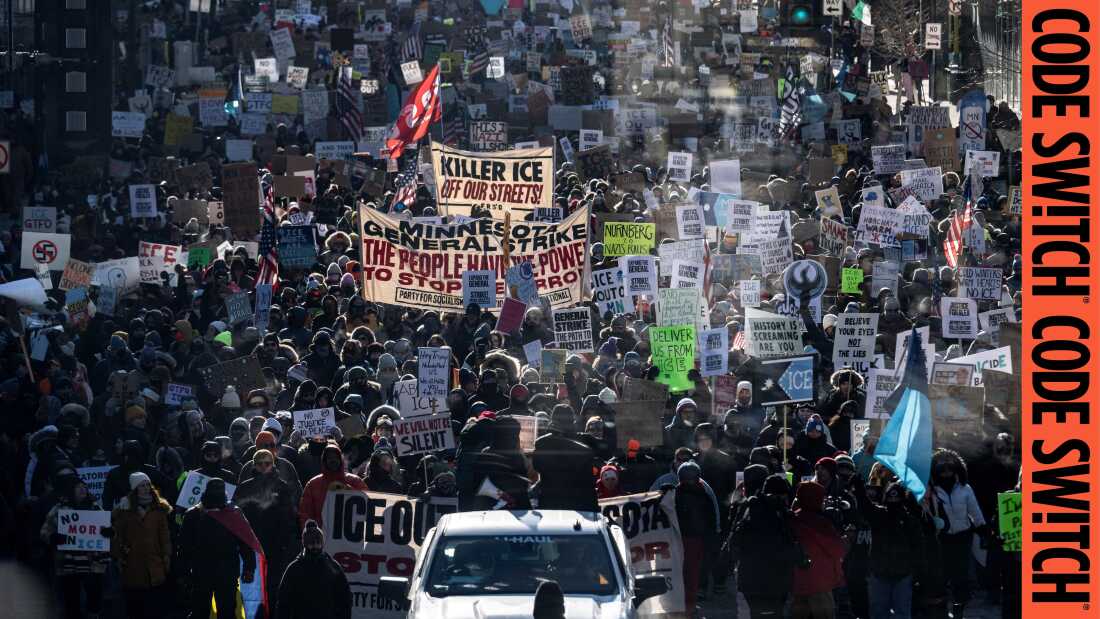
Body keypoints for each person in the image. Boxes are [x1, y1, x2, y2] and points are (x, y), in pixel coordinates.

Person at [179, 478, 258, 619]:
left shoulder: (233, 513)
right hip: (203, 572)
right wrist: (183, 571)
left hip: (225, 571)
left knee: (225, 611)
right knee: (200, 611)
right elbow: (185, 546)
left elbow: (245, 542)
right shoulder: (194, 515)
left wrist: (249, 567)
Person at [235, 449, 298, 617]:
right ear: (254, 465)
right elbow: (236, 516)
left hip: (276, 544)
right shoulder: (245, 487)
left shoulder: (282, 487)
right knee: (251, 585)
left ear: (273, 464)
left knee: (274, 584)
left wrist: (285, 541)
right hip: (250, 544)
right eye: (260, 463)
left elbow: (290, 516)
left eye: (267, 463)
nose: (264, 467)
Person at [730, 473, 801, 619]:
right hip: (777, 579)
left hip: (749, 578)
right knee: (775, 613)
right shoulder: (783, 514)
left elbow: (733, 539)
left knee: (757, 613)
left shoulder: (748, 506)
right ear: (783, 495)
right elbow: (792, 543)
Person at [40, 474, 111, 619]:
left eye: (85, 486)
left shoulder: (96, 508)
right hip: (69, 565)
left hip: (93, 564)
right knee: (71, 604)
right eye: (79, 486)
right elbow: (45, 531)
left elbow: (109, 530)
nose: (83, 489)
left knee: (94, 602)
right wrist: (53, 538)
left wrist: (109, 532)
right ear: (70, 489)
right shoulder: (59, 510)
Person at [111, 473, 173, 619]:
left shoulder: (159, 508)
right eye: (141, 486)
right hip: (132, 563)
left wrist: (166, 556)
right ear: (134, 489)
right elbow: (117, 535)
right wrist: (119, 556)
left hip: (155, 562)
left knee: (155, 607)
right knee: (135, 607)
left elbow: (164, 535)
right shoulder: (124, 509)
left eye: (147, 485)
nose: (145, 488)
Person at [790, 481, 847, 619]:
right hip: (820, 585)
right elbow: (838, 550)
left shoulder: (792, 519)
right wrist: (846, 539)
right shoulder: (822, 523)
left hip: (798, 584)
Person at [276, 521, 352, 619]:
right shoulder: (294, 569)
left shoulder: (332, 567)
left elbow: (345, 599)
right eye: (311, 543)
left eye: (318, 543)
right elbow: (283, 602)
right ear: (305, 544)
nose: (315, 546)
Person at [298, 443, 367, 528]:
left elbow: (367, 503)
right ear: (324, 461)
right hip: (322, 537)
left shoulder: (354, 481)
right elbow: (305, 513)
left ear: (340, 459)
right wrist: (311, 530)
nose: (333, 460)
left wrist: (349, 490)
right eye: (330, 458)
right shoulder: (313, 484)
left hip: (349, 537)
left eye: (336, 457)